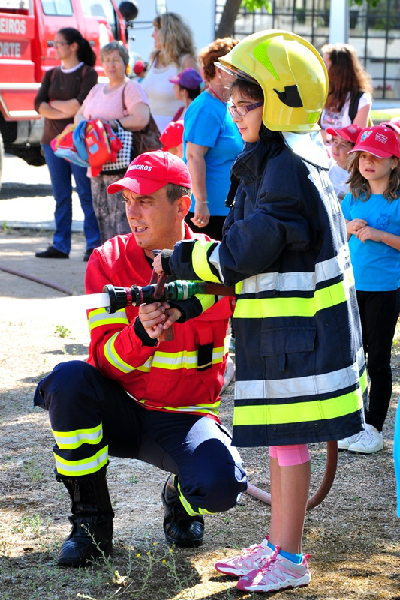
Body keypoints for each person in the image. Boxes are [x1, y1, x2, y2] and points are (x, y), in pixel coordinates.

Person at [153, 30, 365, 593]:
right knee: (281, 440)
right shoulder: (280, 157)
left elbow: (248, 249)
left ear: (278, 104)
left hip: (302, 340)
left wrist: (187, 255)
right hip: (289, 336)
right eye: (231, 102)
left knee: (289, 442)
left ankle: (290, 558)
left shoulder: (287, 167)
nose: (234, 113)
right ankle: (276, 545)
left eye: (245, 104)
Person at [33, 150, 247, 568]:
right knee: (69, 380)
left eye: (145, 200)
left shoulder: (221, 264)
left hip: (185, 417)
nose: (132, 212)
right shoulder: (107, 262)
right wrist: (139, 335)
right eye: (128, 199)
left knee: (223, 486)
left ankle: (181, 497)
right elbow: (103, 362)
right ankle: (91, 522)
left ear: (182, 205)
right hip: (121, 411)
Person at [338, 125, 400, 454]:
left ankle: (373, 426)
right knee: (352, 357)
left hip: (386, 290)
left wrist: (379, 235)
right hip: (351, 288)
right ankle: (352, 422)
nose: (368, 161)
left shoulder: (397, 201)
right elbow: (337, 236)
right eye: (362, 155)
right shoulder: (353, 198)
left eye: (376, 156)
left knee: (377, 359)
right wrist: (347, 227)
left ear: (394, 162)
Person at [34, 27, 101, 262]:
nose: (54, 48)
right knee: (61, 195)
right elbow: (38, 104)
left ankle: (93, 245)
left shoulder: (88, 74)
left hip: (78, 145)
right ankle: (60, 245)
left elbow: (78, 107)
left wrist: (53, 105)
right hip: (51, 144)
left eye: (58, 43)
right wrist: (65, 107)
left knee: (85, 193)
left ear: (73, 46)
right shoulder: (51, 74)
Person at [75, 41, 150, 244]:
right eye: (107, 60)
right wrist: (89, 127)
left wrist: (110, 124)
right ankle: (107, 266)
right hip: (96, 164)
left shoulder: (131, 88)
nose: (111, 65)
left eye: (115, 60)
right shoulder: (97, 89)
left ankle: (124, 265)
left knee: (121, 220)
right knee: (101, 217)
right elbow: (79, 115)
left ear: (124, 63)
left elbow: (141, 118)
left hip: (121, 165)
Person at [183, 38, 243, 240]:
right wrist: (201, 201)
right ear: (220, 71)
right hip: (206, 214)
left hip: (224, 210)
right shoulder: (206, 107)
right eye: (237, 68)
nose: (242, 73)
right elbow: (193, 156)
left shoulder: (224, 105)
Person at [141, 13, 197, 132]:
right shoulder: (154, 59)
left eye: (156, 30)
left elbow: (195, 104)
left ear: (169, 33)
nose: (152, 35)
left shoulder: (186, 61)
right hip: (150, 136)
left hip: (176, 138)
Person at [320, 43, 372, 144]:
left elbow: (357, 138)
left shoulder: (361, 100)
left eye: (325, 63)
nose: (321, 67)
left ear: (338, 69)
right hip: (320, 156)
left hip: (345, 159)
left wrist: (327, 136)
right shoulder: (322, 92)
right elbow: (311, 130)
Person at [325, 124, 362, 201]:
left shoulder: (360, 177)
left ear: (355, 152)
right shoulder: (325, 167)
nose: (336, 146)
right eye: (335, 141)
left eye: (343, 145)